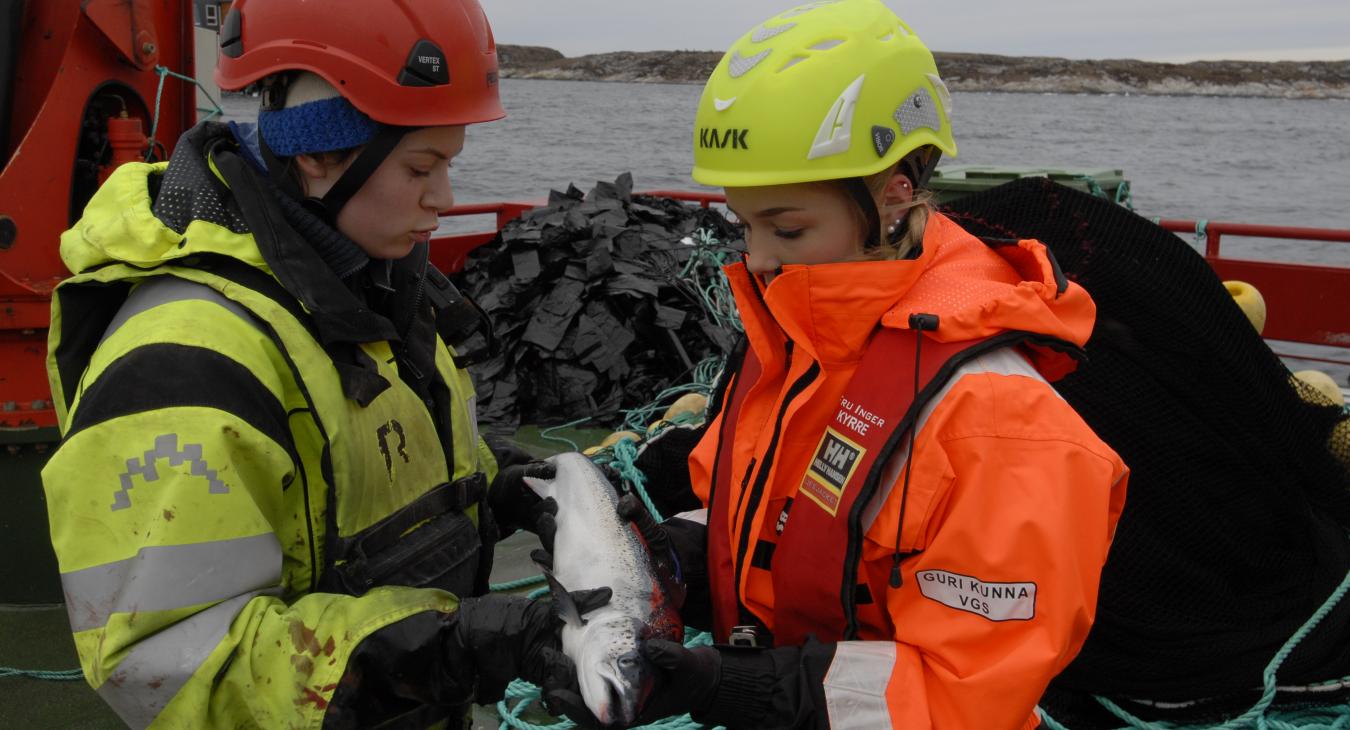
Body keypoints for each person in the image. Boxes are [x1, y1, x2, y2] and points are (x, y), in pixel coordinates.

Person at [547, 1, 1129, 728]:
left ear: (895, 195)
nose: (755, 259)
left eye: (787, 227)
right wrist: (669, 562)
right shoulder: (795, 343)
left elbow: (967, 690)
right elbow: (776, 521)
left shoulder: (1003, 430)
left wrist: (736, 689)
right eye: (743, 223)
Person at [39, 0, 592, 727]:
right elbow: (173, 665)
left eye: (449, 163)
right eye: (422, 166)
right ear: (319, 154)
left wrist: (500, 489)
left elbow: (360, 474)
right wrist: (449, 649)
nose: (445, 199)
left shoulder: (367, 286)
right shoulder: (184, 367)